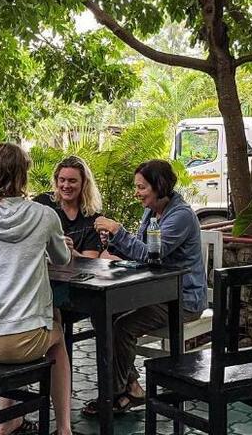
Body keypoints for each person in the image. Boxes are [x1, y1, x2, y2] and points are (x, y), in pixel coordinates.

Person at [0, 143, 74, 435]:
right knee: (57, 335)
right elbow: (62, 259)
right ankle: (65, 428)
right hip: (22, 342)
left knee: (25, 320)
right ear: (23, 175)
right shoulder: (45, 215)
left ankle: (9, 420)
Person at [88, 159, 207, 415]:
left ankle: (113, 394)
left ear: (159, 186)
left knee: (122, 326)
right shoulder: (152, 212)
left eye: (141, 187)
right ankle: (130, 386)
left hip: (182, 299)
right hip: (155, 293)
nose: (137, 193)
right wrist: (113, 241)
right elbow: (140, 255)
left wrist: (118, 230)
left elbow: (152, 254)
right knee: (102, 314)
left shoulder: (181, 216)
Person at [33, 155, 109, 258]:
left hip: (76, 268)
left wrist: (68, 251)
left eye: (72, 181)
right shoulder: (42, 203)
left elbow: (90, 261)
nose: (66, 186)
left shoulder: (92, 216)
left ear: (84, 183)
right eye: (62, 180)